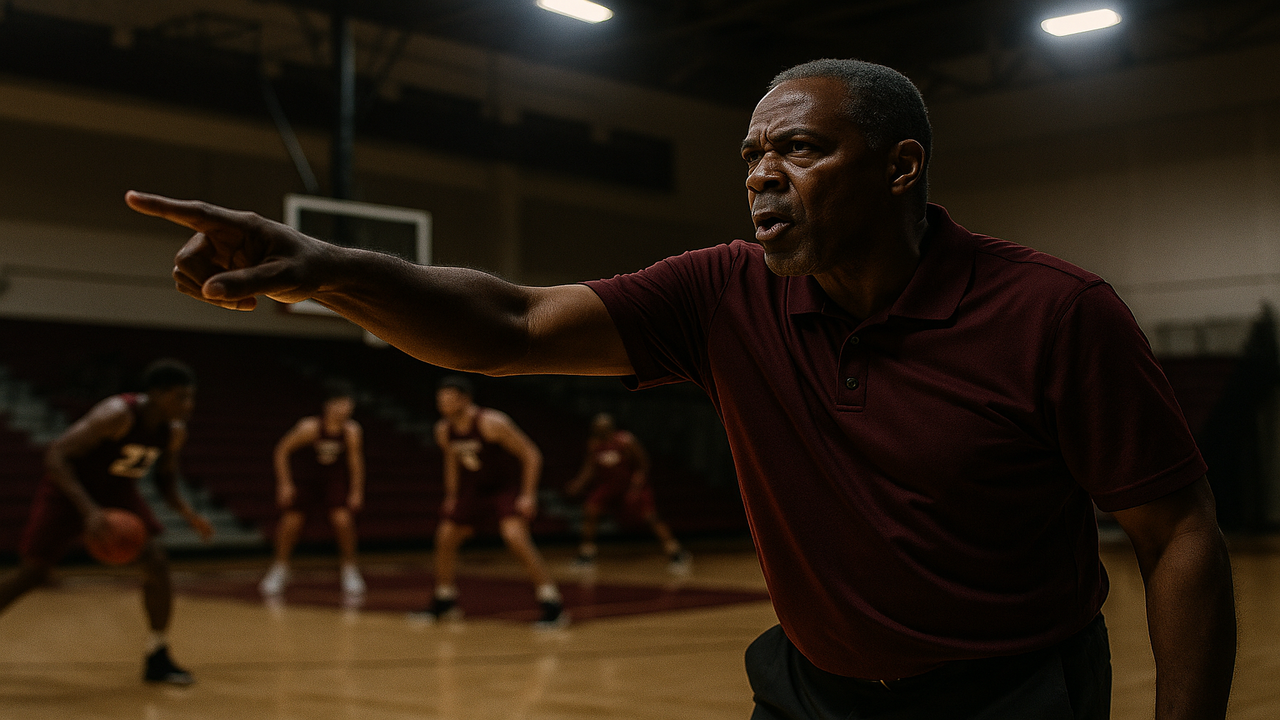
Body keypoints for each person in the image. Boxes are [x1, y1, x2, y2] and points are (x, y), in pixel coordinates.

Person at [127, 57, 1235, 719]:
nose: (760, 174)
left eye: (798, 150)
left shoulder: (1051, 311)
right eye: (750, 155)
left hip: (1012, 698)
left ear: (898, 167)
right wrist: (321, 266)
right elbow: (506, 324)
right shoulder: (718, 294)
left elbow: (1175, 529)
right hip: (812, 692)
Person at [0, 359, 214, 685]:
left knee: (156, 561)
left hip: (117, 493)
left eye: (191, 397)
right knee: (33, 573)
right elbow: (56, 456)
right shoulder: (117, 414)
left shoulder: (174, 431)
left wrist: (188, 513)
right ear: (155, 394)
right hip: (69, 492)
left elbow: (165, 479)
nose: (188, 405)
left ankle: (158, 655)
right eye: (180, 397)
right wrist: (88, 512)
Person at [416, 375, 567, 628]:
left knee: (515, 537)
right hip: (475, 491)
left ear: (465, 399)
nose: (443, 404)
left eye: (449, 399)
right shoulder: (443, 430)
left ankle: (552, 602)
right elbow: (452, 463)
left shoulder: (492, 422)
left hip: (505, 488)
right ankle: (444, 600)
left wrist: (528, 494)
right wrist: (452, 496)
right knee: (445, 536)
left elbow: (531, 454)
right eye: (440, 399)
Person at [259, 382, 366, 598]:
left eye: (349, 405)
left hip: (333, 479)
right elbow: (281, 450)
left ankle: (350, 568)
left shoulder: (352, 431)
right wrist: (285, 483)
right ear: (329, 406)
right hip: (306, 478)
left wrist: (356, 491)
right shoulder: (309, 428)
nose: (346, 409)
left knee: (343, 520)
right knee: (291, 522)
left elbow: (356, 462)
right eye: (342, 404)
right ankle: (280, 568)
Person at [565, 412, 690, 572]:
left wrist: (636, 487)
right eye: (596, 428)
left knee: (650, 517)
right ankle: (586, 554)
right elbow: (589, 468)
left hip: (630, 485)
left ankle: (676, 552)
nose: (599, 431)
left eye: (602, 428)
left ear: (610, 427)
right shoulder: (594, 445)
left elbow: (643, 464)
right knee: (590, 510)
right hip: (609, 487)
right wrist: (578, 484)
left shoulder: (625, 441)